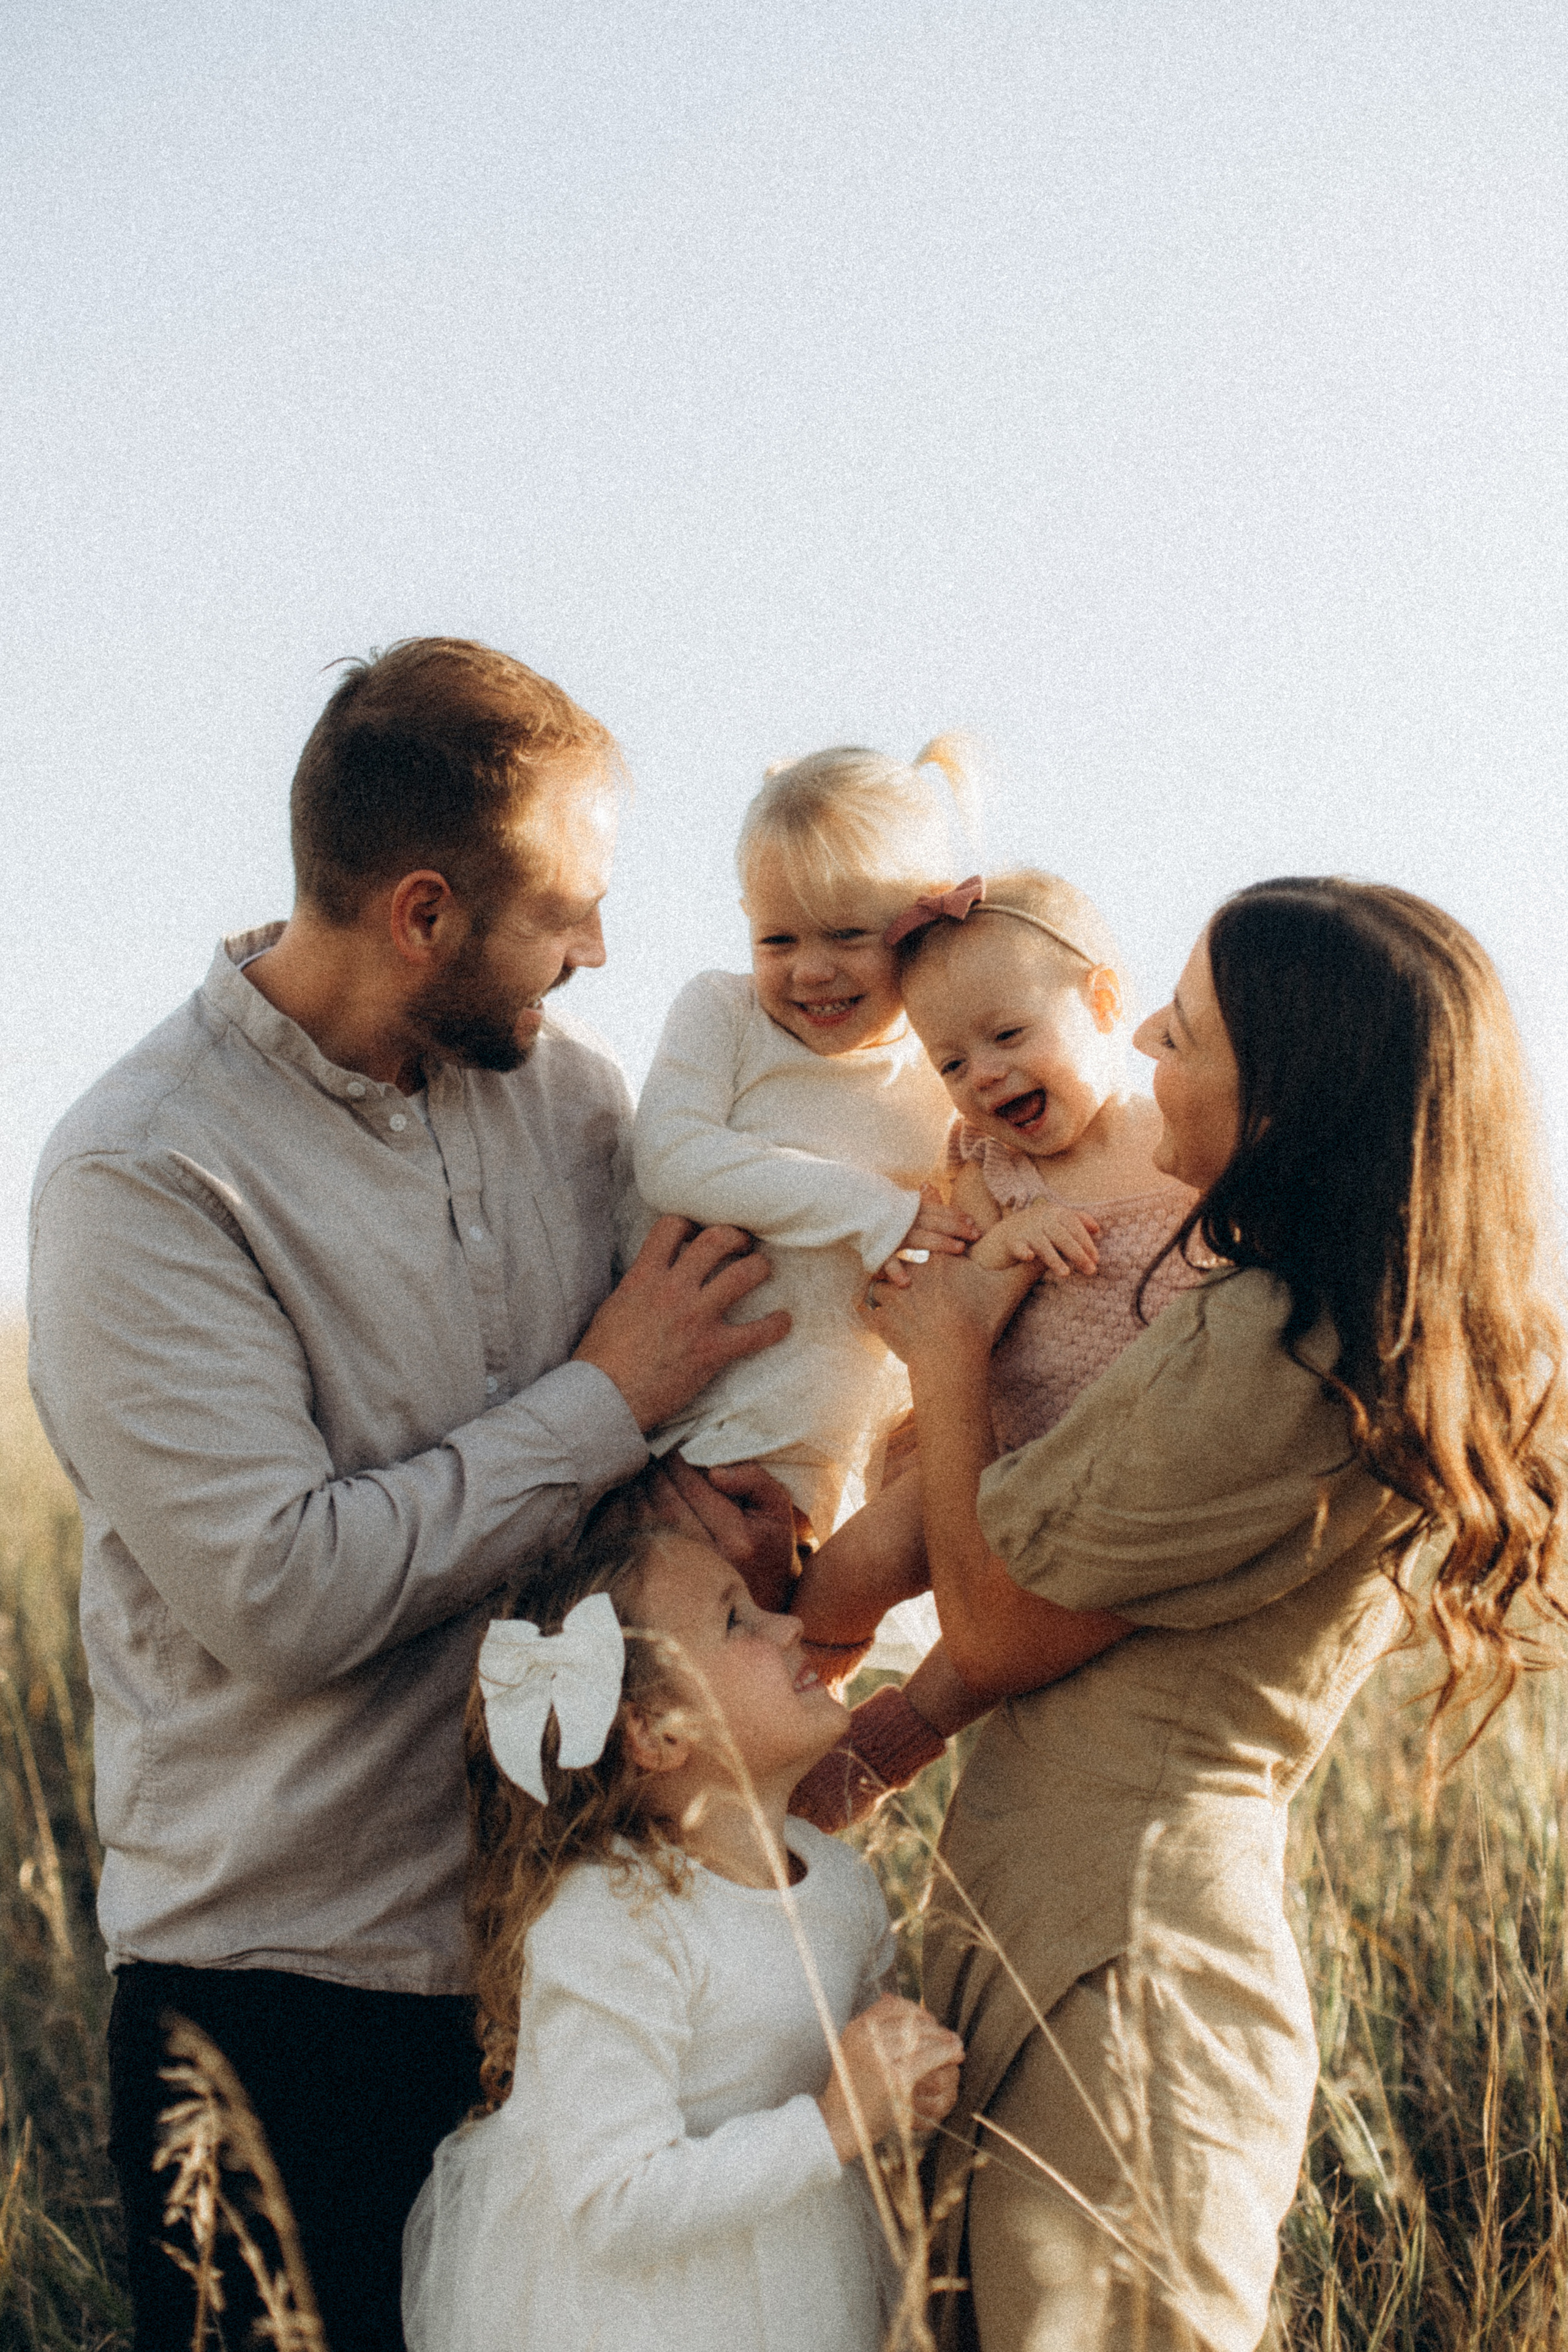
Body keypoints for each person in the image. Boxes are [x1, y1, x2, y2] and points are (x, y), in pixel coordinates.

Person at [26, 639, 793, 2351]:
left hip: (576, 1959)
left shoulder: (577, 1104)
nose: (599, 950)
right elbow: (285, 1593)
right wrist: (610, 1403)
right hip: (279, 1998)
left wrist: (699, 1488)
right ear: (426, 916)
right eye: (568, 912)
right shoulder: (141, 1175)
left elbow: (654, 1434)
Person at [861, 878, 1567, 2351]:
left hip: (1128, 1981)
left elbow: (990, 1636)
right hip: (1063, 1927)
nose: (1151, 1063)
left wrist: (944, 1353)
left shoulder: (1288, 1343)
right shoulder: (1291, 1313)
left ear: (1286, 1091)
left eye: (1180, 1035)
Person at [401, 1493, 964, 2352]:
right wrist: (834, 2123)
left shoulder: (842, 1885)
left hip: (805, 2284)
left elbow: (848, 2080)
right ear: (656, 1733)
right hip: (640, 2316)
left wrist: (902, 2101)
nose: (785, 1628)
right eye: (736, 1620)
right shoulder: (613, 1921)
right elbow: (616, 2199)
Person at [791, 868, 1208, 1673]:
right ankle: (808, 1689)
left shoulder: (1178, 1143)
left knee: (994, 1658)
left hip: (1137, 1459)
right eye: (950, 1064)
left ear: (1105, 1003)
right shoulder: (993, 1169)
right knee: (856, 1567)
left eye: (1009, 1037)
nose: (983, 1074)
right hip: (999, 1454)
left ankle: (873, 1756)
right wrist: (1007, 1241)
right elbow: (948, 1289)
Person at [627, 740, 976, 1548]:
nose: (810, 971)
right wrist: (869, 1207)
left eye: (847, 936)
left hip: (824, 1479)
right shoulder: (725, 1014)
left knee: (779, 1656)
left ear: (921, 924)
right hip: (678, 1451)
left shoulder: (941, 1081)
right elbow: (672, 1158)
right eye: (777, 941)